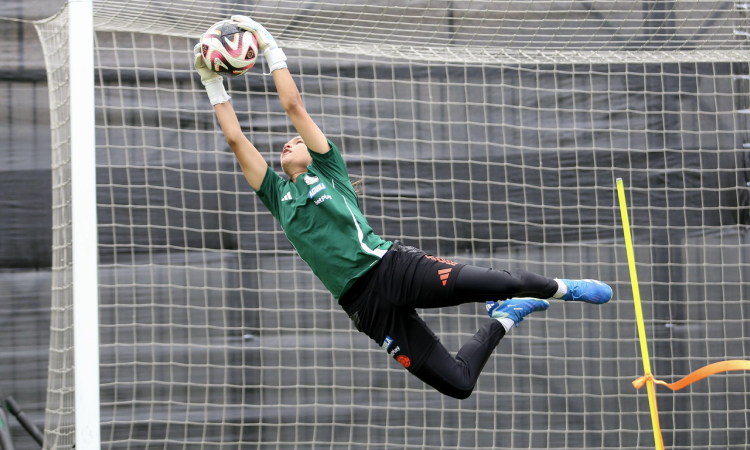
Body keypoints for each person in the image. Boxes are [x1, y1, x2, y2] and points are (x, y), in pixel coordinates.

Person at [194, 16, 612, 400]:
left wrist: (268, 46)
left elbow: (293, 107)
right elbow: (235, 139)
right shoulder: (277, 196)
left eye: (296, 141)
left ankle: (564, 289)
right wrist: (211, 80)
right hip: (365, 308)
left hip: (392, 267)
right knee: (458, 383)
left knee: (498, 282)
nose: (288, 143)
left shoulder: (330, 172)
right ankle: (506, 319)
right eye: (285, 145)